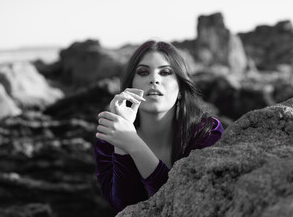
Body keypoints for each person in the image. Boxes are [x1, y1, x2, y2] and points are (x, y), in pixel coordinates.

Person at [94, 40, 224, 212]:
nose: (154, 79)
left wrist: (134, 144)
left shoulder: (207, 132)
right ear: (130, 86)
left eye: (165, 72)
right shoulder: (109, 139)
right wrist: (122, 144)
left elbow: (185, 202)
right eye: (143, 72)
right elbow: (124, 205)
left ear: (181, 89)